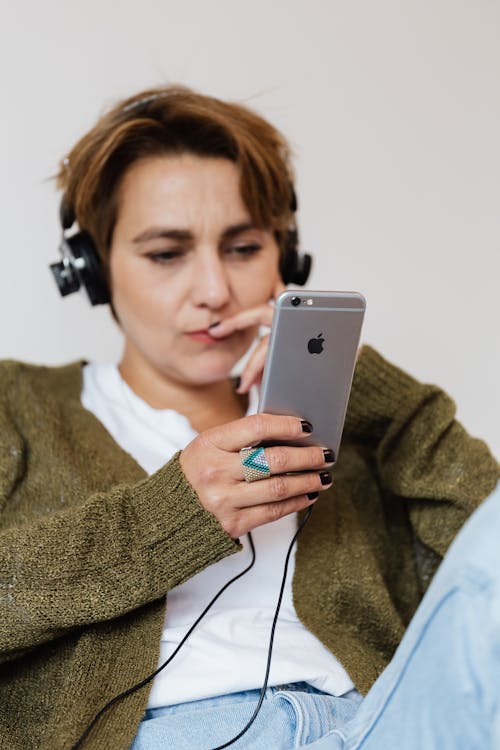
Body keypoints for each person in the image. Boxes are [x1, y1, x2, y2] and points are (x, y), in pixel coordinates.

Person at [0, 85, 497, 750]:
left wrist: (391, 407)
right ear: (91, 270)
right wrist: (169, 518)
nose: (214, 290)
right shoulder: (18, 407)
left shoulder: (355, 434)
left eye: (242, 248)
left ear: (286, 258)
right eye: (166, 253)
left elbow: (481, 583)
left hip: (381, 725)